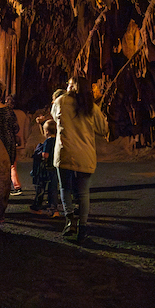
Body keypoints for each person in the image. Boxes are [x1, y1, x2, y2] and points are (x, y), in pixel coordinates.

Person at [51, 76, 109, 243]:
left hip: (65, 151)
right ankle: (82, 226)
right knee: (83, 193)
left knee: (65, 189)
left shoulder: (61, 101)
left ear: (72, 87)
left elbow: (55, 117)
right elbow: (103, 129)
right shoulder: (92, 107)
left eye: (68, 84)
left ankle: (70, 221)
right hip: (85, 153)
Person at [29, 119, 60, 217]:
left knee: (41, 188)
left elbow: (45, 155)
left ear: (46, 131)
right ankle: (53, 209)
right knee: (53, 189)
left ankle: (37, 207)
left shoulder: (48, 141)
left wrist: (40, 154)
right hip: (55, 168)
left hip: (46, 169)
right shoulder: (58, 140)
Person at [6, 93, 30, 193]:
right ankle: (15, 184)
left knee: (10, 165)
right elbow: (27, 129)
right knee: (13, 165)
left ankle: (15, 185)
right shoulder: (22, 114)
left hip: (8, 142)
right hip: (19, 143)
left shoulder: (6, 113)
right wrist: (24, 140)